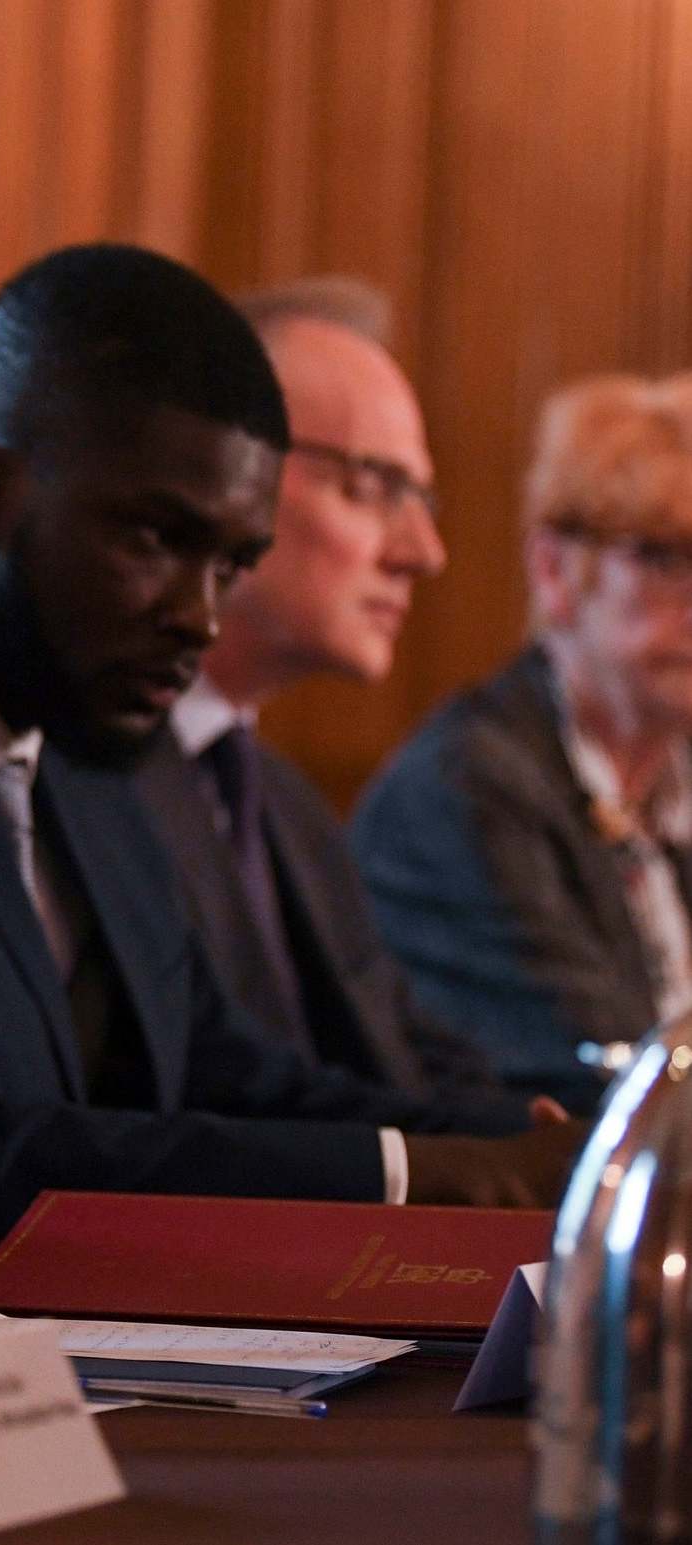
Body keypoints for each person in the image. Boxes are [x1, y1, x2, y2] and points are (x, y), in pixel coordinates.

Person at [0, 244, 579, 1295]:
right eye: (159, 540)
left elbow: (212, 1067)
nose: (197, 621)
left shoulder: (87, 707)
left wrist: (533, 1146)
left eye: (231, 566)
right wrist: (443, 1176)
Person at [129, 278, 525, 1113]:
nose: (424, 552)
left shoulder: (290, 808)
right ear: (225, 467)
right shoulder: (71, 775)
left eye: (421, 499)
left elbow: (410, 1058)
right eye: (374, 486)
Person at [354, 374, 692, 1115]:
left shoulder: (673, 779)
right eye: (667, 558)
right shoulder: (467, 785)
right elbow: (611, 1080)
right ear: (553, 570)